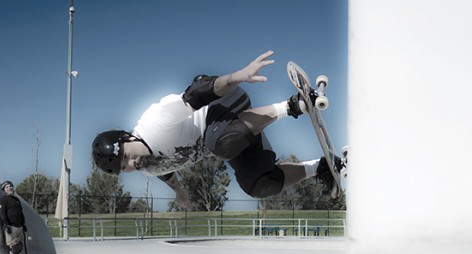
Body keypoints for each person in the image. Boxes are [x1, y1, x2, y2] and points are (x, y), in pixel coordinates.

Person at [91, 50, 342, 208]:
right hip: (233, 135)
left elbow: (198, 92)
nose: (132, 164)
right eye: (125, 168)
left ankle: (292, 105)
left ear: (127, 136)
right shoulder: (147, 168)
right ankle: (319, 167)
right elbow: (166, 173)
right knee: (259, 185)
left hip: (223, 104)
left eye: (126, 156)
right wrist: (180, 193)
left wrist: (237, 76)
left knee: (219, 145)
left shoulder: (156, 121)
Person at [0, 181, 27, 254]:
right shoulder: (3, 200)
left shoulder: (16, 200)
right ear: (4, 190)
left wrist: (23, 224)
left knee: (18, 247)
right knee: (13, 247)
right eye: (7, 187)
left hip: (19, 226)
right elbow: (2, 213)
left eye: (10, 186)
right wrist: (6, 224)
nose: (9, 188)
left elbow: (21, 213)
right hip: (11, 227)